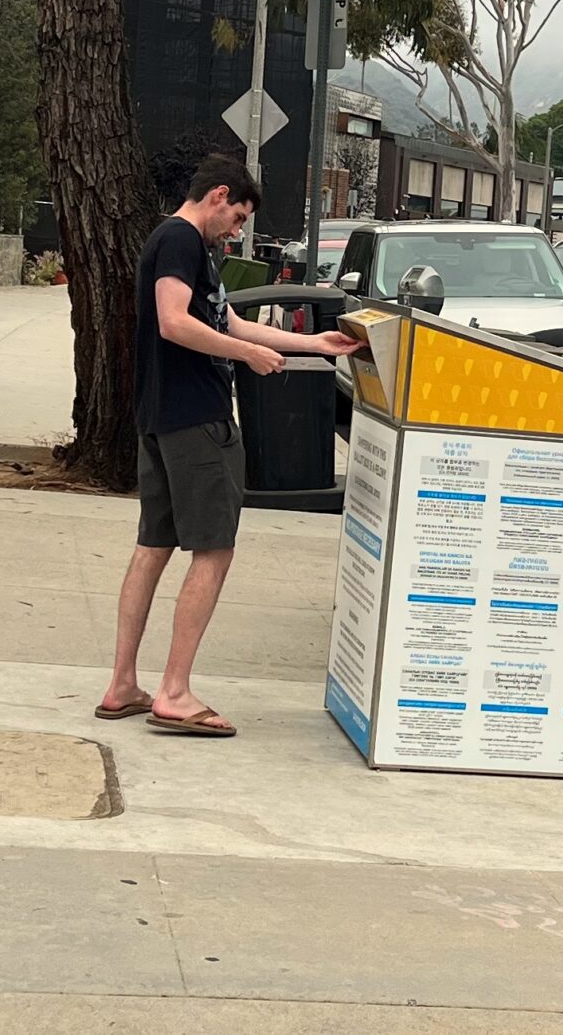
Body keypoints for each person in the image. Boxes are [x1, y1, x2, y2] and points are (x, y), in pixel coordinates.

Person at [97, 155, 361, 738]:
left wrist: (310, 342)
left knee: (154, 545)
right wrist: (247, 359)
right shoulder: (181, 240)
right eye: (238, 217)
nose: (237, 231)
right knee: (213, 550)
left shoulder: (187, 249)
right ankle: (175, 691)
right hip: (196, 420)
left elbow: (229, 324)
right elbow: (174, 322)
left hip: (162, 416)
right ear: (217, 196)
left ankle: (123, 684)